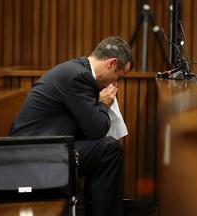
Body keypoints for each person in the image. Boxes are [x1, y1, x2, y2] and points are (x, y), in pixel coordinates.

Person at [9, 36, 135, 216]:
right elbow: (97, 129)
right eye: (119, 76)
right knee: (109, 150)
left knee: (104, 149)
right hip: (32, 155)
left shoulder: (79, 71)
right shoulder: (79, 76)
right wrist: (104, 103)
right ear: (112, 63)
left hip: (40, 148)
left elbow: (92, 131)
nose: (116, 83)